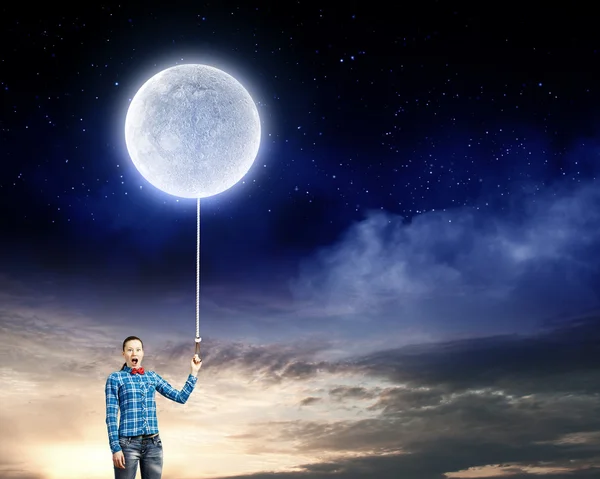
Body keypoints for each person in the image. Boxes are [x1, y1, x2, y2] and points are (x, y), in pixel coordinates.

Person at [105, 335, 202, 479]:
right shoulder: (115, 378)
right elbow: (111, 416)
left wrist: (194, 372)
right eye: (130, 350)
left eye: (138, 349)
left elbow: (181, 398)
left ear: (142, 353)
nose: (134, 353)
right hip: (127, 444)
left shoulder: (152, 377)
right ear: (123, 354)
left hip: (153, 444)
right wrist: (115, 448)